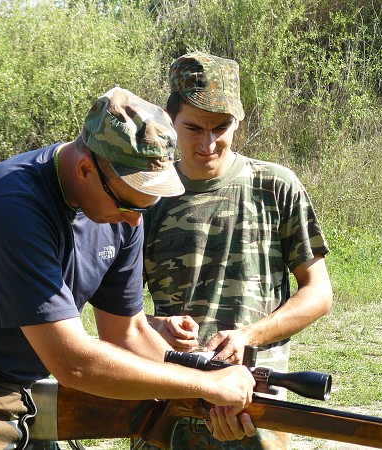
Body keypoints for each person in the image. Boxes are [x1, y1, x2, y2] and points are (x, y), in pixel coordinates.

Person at [0, 86, 257, 449]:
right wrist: (206, 386)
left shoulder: (122, 208)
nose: (134, 223)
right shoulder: (12, 204)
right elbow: (73, 363)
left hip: (27, 392)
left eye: (145, 208)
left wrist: (200, 373)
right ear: (86, 169)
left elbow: (128, 333)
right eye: (128, 205)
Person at [142, 52, 334, 449]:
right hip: (170, 397)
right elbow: (103, 307)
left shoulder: (276, 186)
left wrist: (249, 335)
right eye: (193, 127)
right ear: (168, 118)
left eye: (221, 127)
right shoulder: (146, 199)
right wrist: (154, 325)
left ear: (238, 120)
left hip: (256, 398)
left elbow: (318, 293)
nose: (208, 143)